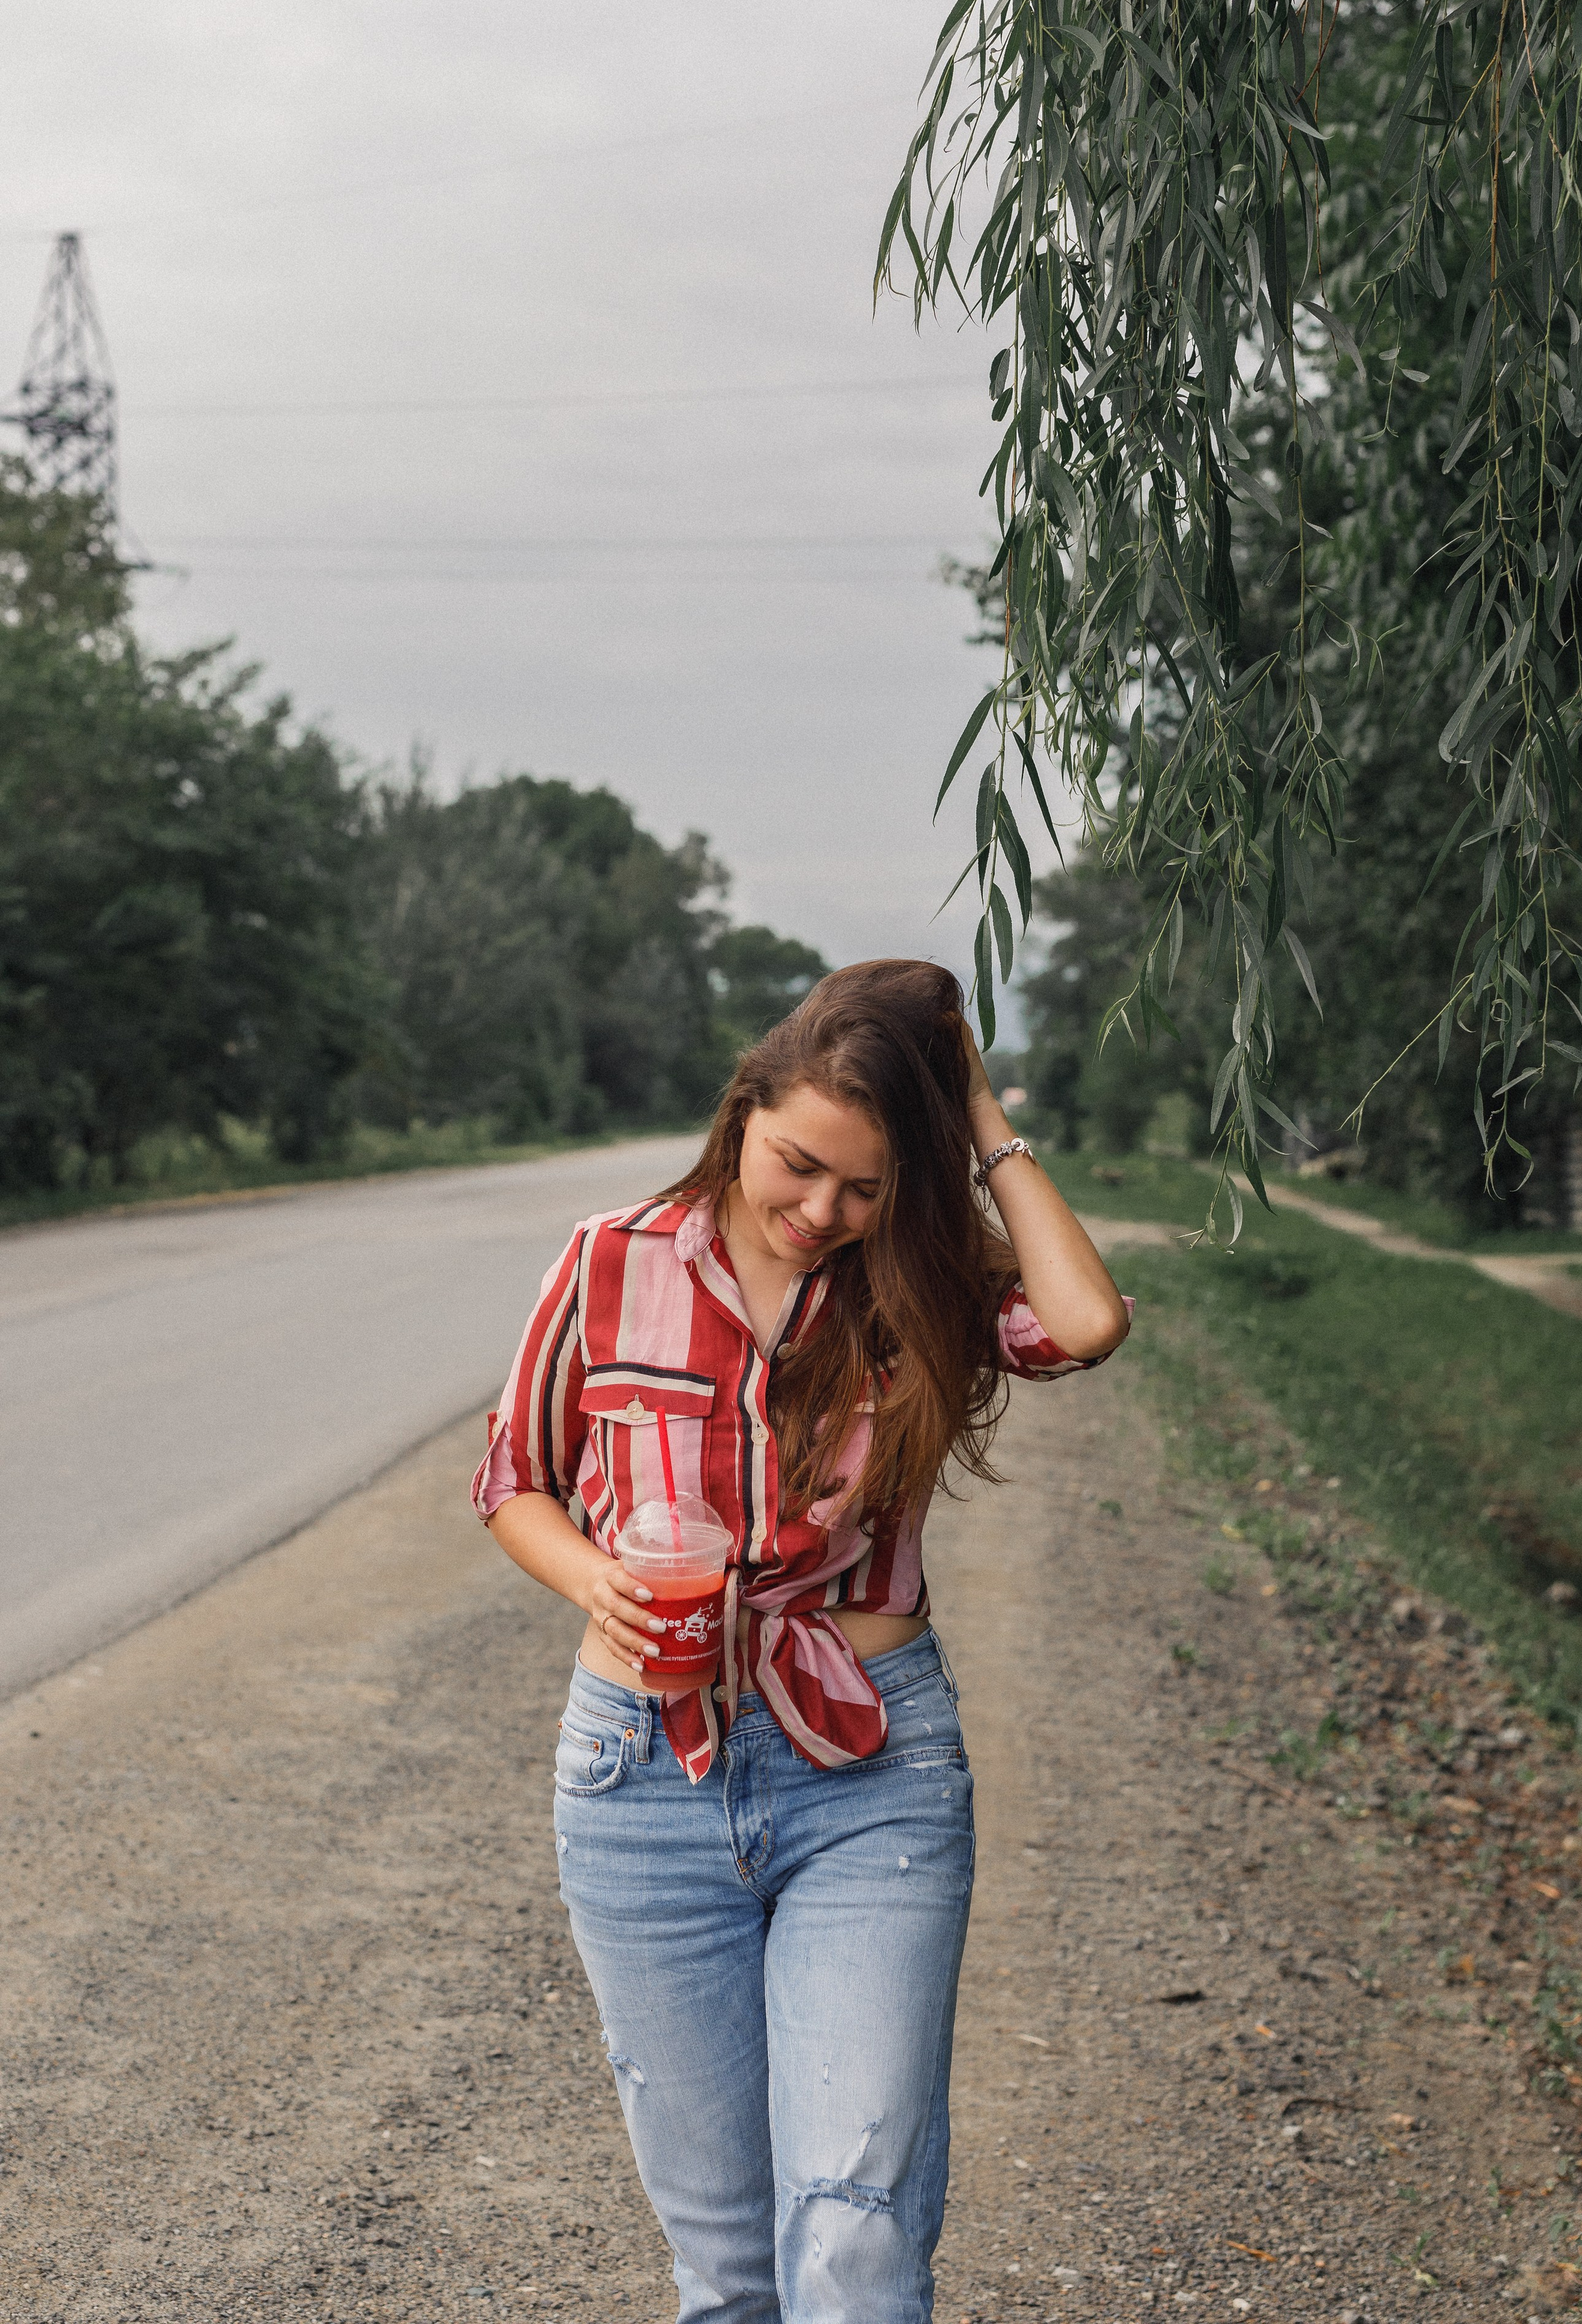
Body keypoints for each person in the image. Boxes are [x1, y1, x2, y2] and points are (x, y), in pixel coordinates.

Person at [473, 958, 1129, 2323]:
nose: (820, 1210)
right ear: (743, 1111)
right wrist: (594, 1581)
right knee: (724, 2268)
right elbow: (512, 1481)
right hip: (642, 1772)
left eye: (866, 1185)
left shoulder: (918, 1286)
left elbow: (1083, 1323)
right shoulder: (609, 1262)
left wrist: (980, 1116)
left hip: (870, 1764)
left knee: (853, 2229)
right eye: (796, 1165)